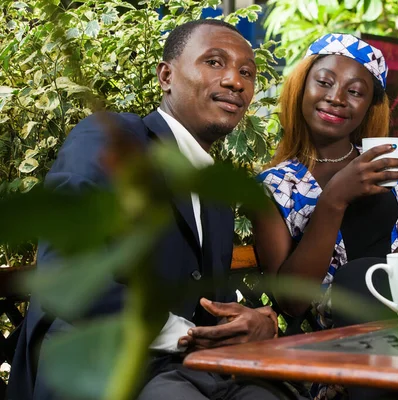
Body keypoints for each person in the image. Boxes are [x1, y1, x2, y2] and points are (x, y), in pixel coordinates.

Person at [8, 20, 306, 400]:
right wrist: (189, 337)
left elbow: (201, 306)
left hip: (188, 372)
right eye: (215, 62)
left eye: (246, 72)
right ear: (166, 75)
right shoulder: (112, 138)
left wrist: (257, 322)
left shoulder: (215, 194)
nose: (235, 81)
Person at [252, 34, 398, 398]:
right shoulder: (273, 185)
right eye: (324, 82)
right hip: (333, 347)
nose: (337, 98)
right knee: (354, 281)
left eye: (355, 92)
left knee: (361, 278)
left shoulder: (395, 159)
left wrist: (375, 286)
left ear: (370, 106)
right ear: (301, 87)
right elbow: (291, 300)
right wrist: (334, 200)